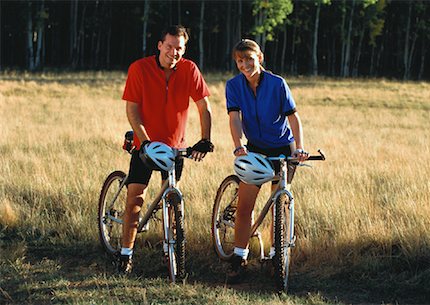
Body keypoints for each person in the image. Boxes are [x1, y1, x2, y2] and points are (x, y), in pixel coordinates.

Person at [118, 25, 214, 273]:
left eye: (179, 48)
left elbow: (204, 107)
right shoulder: (139, 68)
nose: (173, 52)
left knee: (171, 200)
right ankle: (126, 253)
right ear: (159, 45)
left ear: (184, 49)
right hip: (145, 145)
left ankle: (169, 251)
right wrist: (145, 141)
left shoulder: (190, 69)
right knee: (135, 199)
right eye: (169, 46)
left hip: (175, 148)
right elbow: (132, 110)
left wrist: (205, 139)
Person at [225, 39, 309, 283]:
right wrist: (238, 144)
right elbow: (234, 117)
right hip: (255, 149)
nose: (244, 65)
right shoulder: (233, 86)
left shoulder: (277, 84)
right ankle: (239, 257)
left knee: (278, 206)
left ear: (259, 58)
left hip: (284, 148)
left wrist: (300, 148)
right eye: (240, 61)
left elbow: (293, 118)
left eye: (249, 59)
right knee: (245, 206)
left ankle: (276, 256)